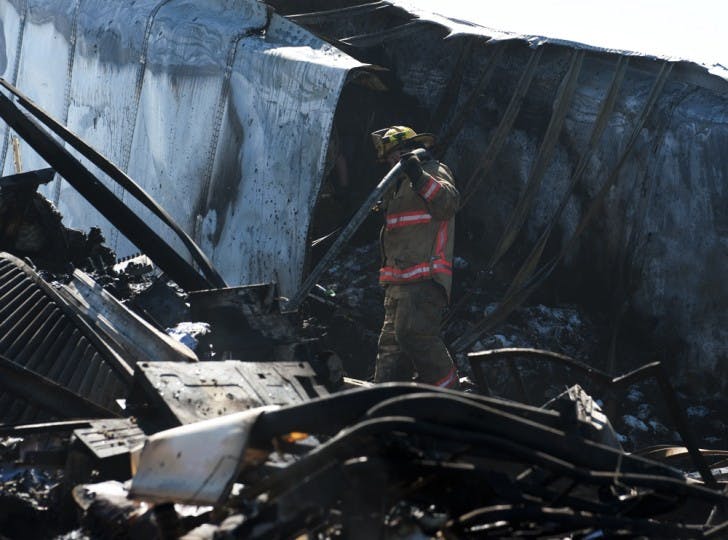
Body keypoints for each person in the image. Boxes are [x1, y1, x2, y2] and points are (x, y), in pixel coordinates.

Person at [370, 125, 459, 388]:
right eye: (387, 158)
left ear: (408, 150)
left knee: (414, 335)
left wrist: (418, 176)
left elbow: (448, 204)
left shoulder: (432, 172)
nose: (390, 162)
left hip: (424, 277)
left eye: (394, 154)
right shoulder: (394, 187)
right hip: (397, 282)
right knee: (389, 351)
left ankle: (452, 397)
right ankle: (382, 408)